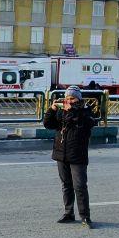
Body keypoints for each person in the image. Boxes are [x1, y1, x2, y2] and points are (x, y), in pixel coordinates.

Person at [44, 86, 97, 229]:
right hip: (61, 153)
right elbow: (48, 124)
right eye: (67, 98)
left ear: (78, 99)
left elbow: (84, 123)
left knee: (79, 186)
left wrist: (71, 111)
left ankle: (85, 216)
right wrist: (52, 110)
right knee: (66, 185)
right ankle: (69, 213)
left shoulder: (85, 111)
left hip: (77, 154)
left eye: (72, 98)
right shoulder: (62, 110)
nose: (69, 100)